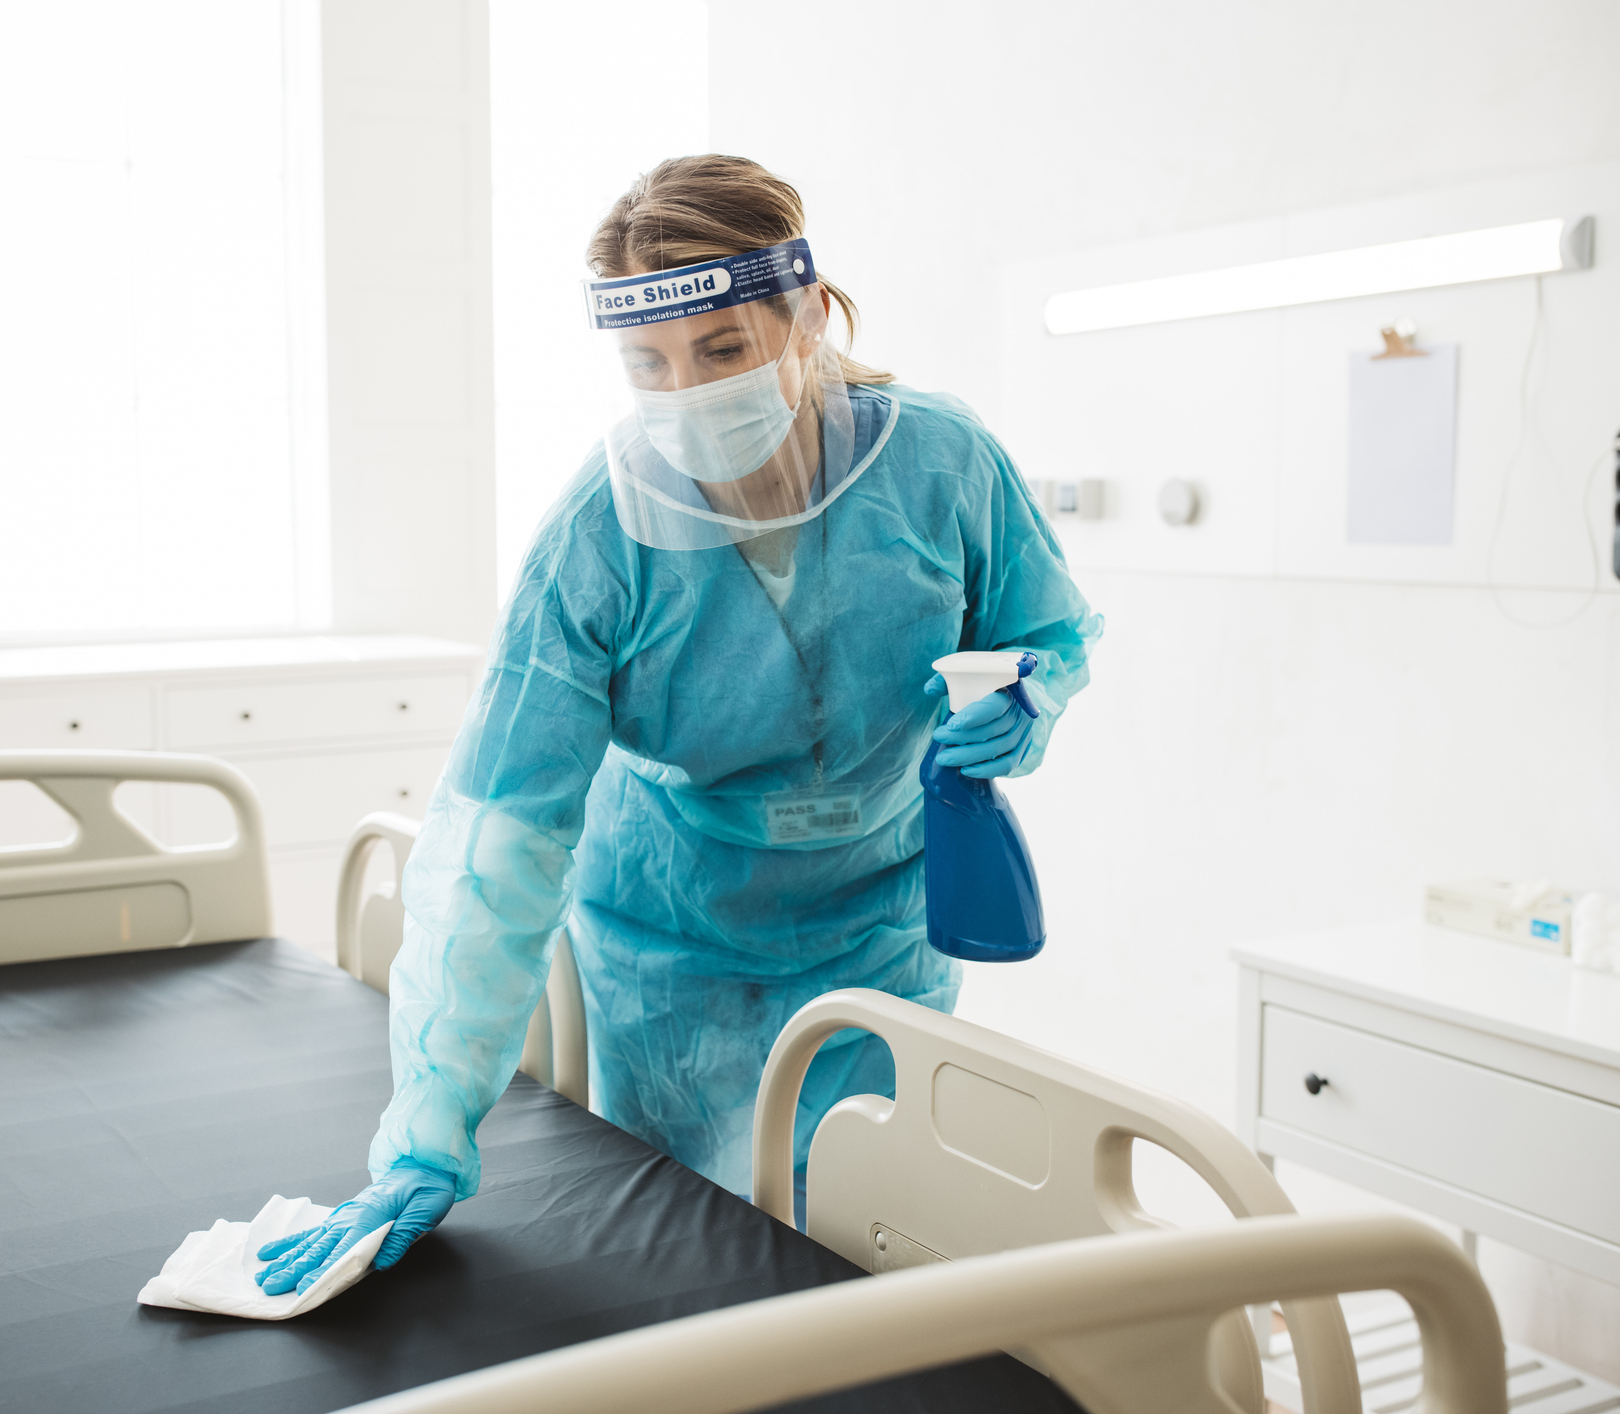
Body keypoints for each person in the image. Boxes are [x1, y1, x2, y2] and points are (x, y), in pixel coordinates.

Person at [255, 155, 1101, 1294]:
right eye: (647, 364)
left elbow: (1044, 627)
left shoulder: (940, 461)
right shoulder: (595, 540)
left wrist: (1030, 696)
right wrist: (425, 1131)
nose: (687, 391)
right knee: (687, 1257)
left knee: (862, 1238)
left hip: (880, 926)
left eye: (721, 349)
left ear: (804, 319)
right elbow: (493, 858)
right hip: (673, 946)